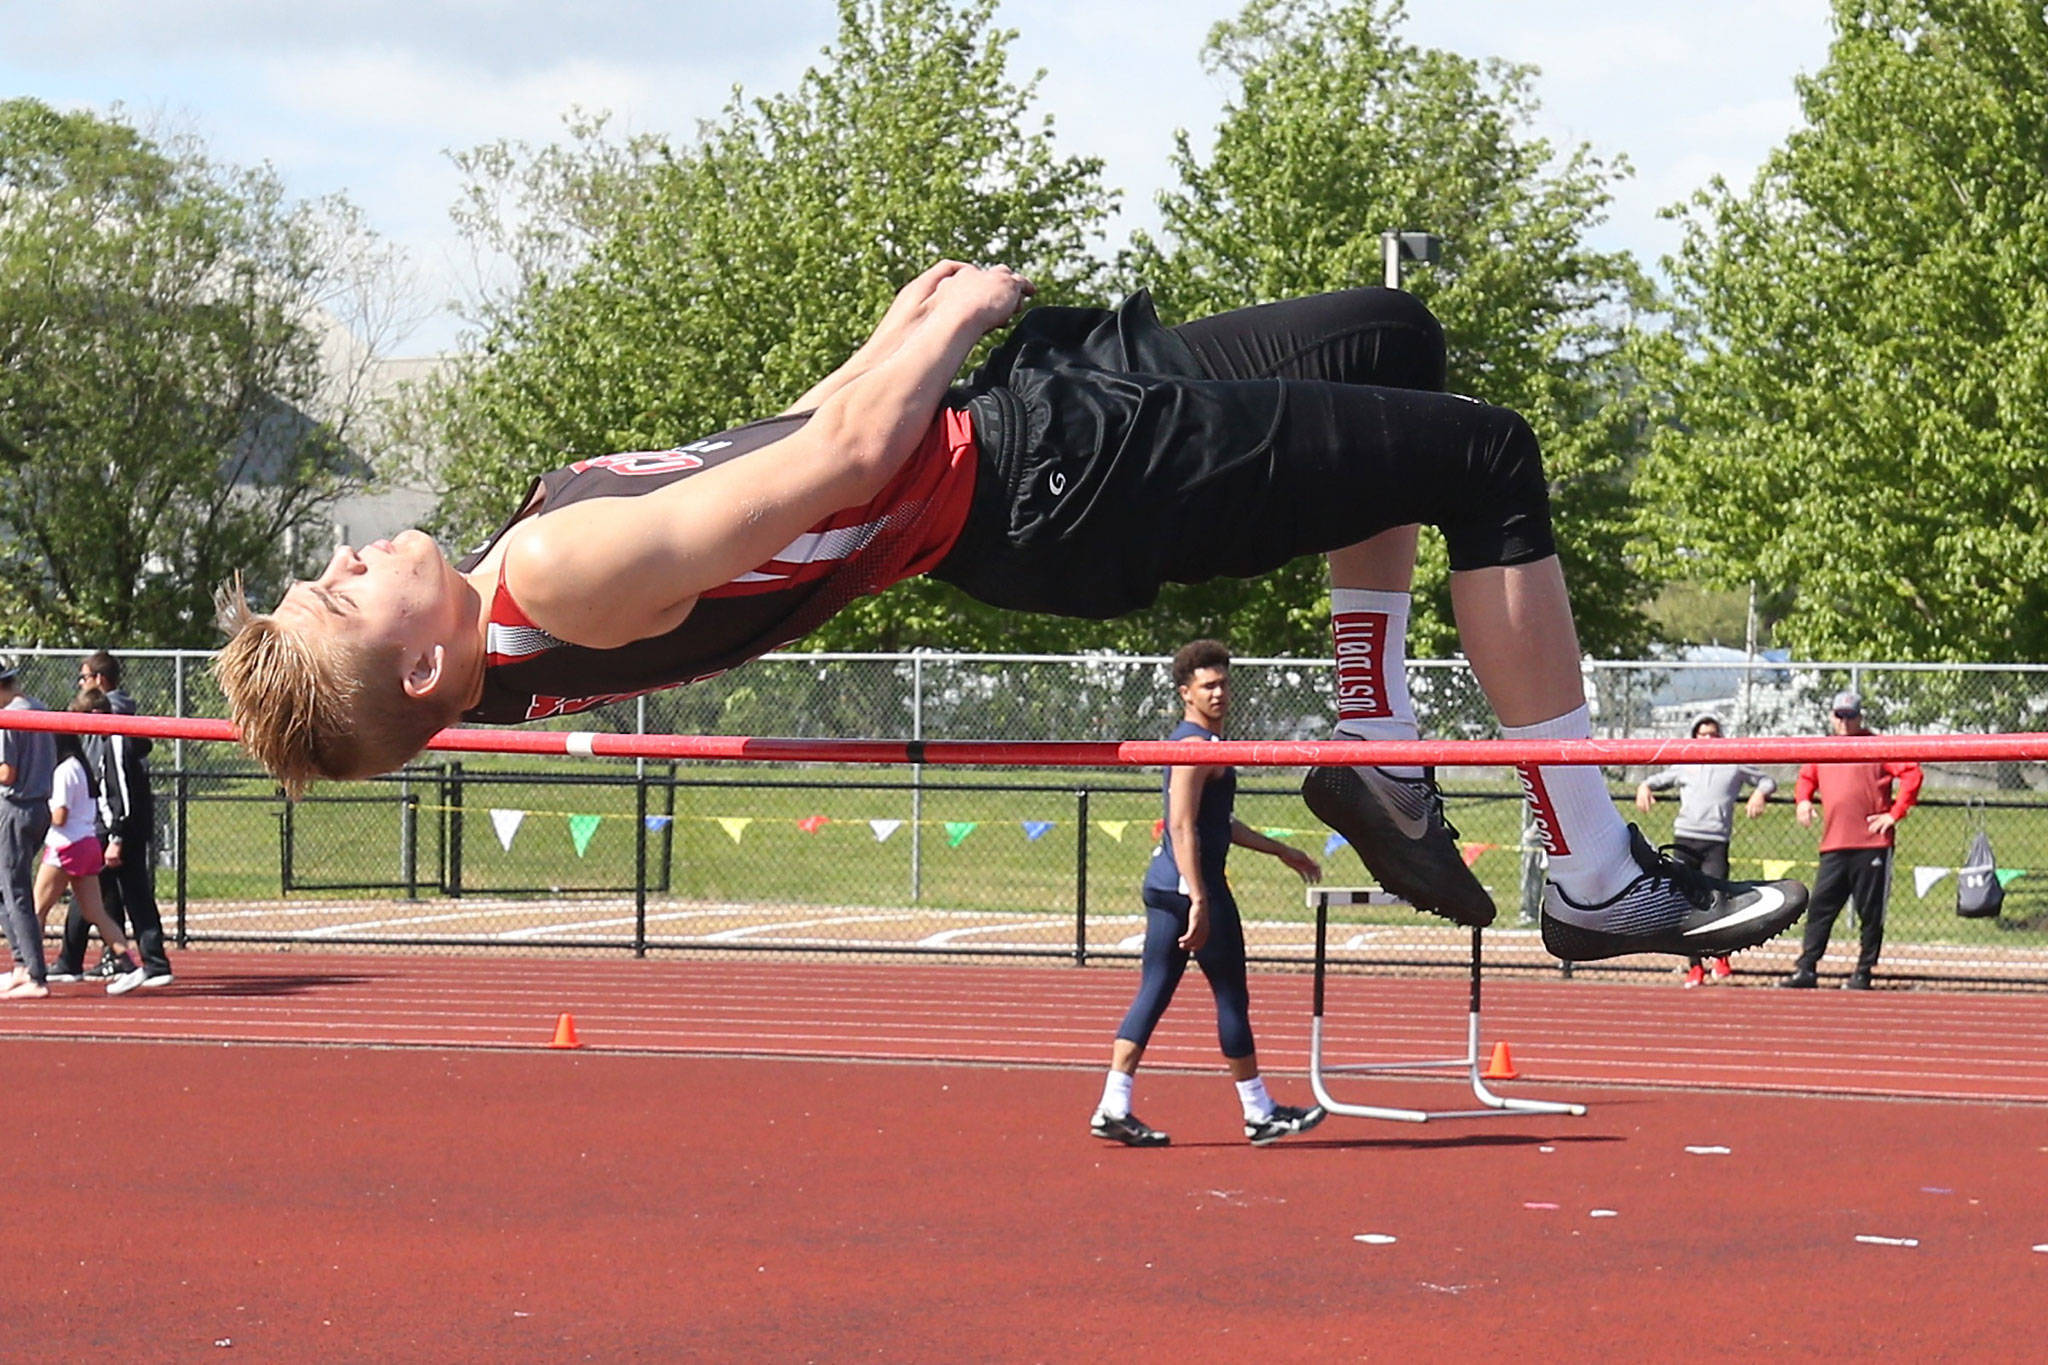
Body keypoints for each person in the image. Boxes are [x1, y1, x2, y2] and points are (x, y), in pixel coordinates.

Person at [213, 260, 1808, 963]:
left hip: (1027, 425)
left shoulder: (527, 576)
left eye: (328, 566)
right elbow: (843, 455)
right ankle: (1598, 875)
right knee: (1493, 459)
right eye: (342, 594)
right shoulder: (556, 584)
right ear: (427, 663)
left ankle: (1377, 735)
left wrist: (889, 340)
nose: (348, 559)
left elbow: (790, 449)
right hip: (1050, 470)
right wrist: (953, 317)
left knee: (1391, 340)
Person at [1089, 640, 1327, 1147]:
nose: (1219, 693)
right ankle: (1259, 1112)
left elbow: (1216, 821)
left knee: (1153, 993)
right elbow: (1180, 825)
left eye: (1223, 684)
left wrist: (1280, 850)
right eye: (1208, 686)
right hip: (1191, 889)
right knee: (1230, 997)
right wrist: (1199, 897)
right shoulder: (1194, 745)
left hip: (1165, 886)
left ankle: (1113, 1104)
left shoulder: (1201, 744)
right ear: (1186, 692)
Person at [1782, 691, 1922, 990]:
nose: (1844, 721)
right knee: (1820, 908)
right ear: (1832, 717)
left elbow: (1912, 773)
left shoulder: (1877, 745)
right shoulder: (1823, 749)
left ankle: (1863, 971)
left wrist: (1894, 814)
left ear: (1860, 717)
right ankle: (1806, 968)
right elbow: (1806, 779)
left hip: (1872, 845)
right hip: (1834, 844)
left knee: (1870, 914)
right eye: (1839, 715)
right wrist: (1803, 801)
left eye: (1850, 715)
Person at [15, 692, 151, 999]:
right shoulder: (80, 766)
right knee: (95, 912)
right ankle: (129, 965)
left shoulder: (64, 771)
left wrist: (35, 810)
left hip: (66, 847)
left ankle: (29, 969)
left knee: (35, 910)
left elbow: (60, 815)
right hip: (86, 843)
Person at [49, 651, 172, 987]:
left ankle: (151, 962)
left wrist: (117, 835)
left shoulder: (114, 725)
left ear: (100, 683)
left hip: (116, 826)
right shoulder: (103, 727)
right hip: (101, 824)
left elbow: (119, 785)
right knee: (92, 894)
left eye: (84, 678)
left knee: (128, 894)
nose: (80, 683)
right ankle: (81, 959)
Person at [1634, 714, 1780, 987]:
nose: (1707, 739)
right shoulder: (1685, 764)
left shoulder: (1732, 764)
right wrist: (1644, 786)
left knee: (1718, 900)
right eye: (1702, 734)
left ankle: (1721, 956)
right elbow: (1657, 779)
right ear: (1694, 737)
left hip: (1715, 842)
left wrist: (1760, 794)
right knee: (1685, 904)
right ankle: (1694, 966)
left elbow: (1767, 781)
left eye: (1713, 734)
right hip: (1685, 840)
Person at [0, 657, 57, 997]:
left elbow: (7, 773)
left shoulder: (9, 717)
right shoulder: (39, 708)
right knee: (7, 886)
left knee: (15, 889)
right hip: (39, 806)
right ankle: (23, 963)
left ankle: (33, 972)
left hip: (16, 806)